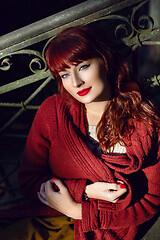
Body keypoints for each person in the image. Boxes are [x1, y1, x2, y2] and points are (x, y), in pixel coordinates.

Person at [18, 25, 160, 240]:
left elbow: (152, 199)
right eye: (65, 75)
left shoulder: (144, 121)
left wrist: (80, 212)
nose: (75, 83)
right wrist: (85, 191)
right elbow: (29, 180)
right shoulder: (54, 111)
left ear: (105, 61)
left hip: (112, 227)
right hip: (52, 220)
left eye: (83, 67)